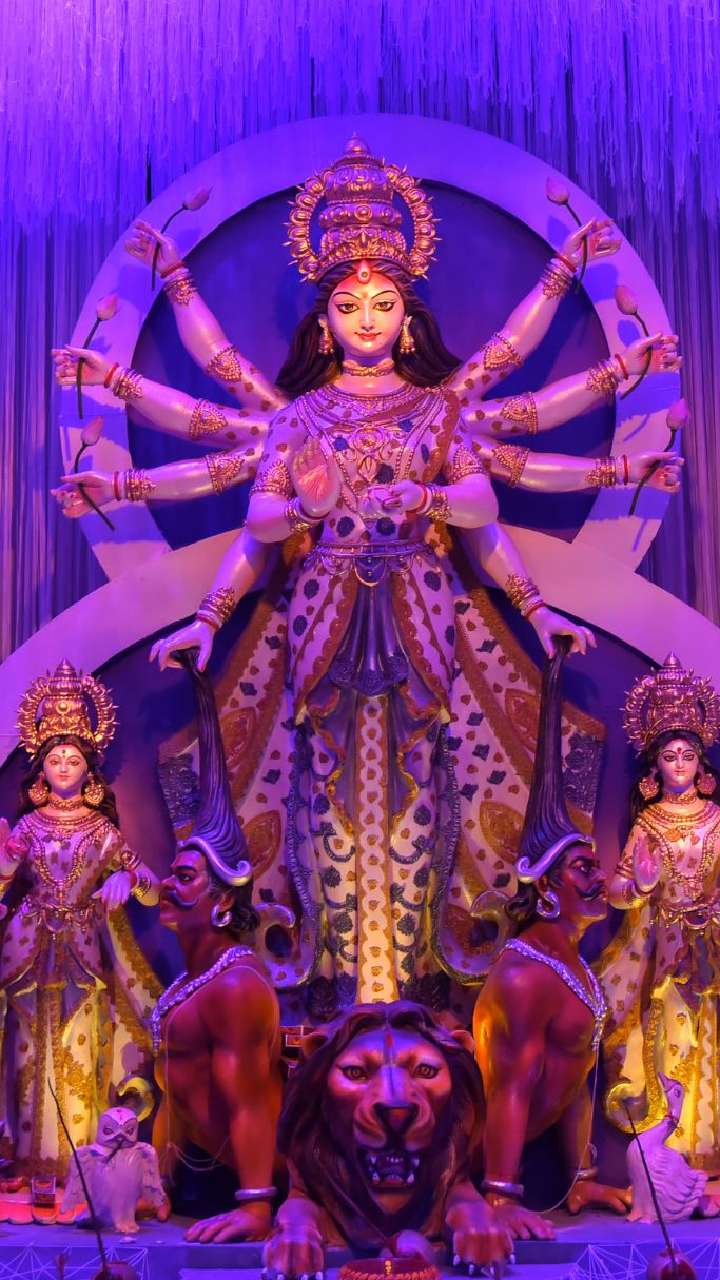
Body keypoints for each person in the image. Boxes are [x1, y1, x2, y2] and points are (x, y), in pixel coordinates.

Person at [52, 137, 682, 1009]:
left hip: (422, 605)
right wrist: (211, 613)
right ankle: (338, 971)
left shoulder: (436, 411)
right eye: (350, 306)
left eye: (385, 304)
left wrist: (527, 601)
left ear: (408, 320)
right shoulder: (299, 419)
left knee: (425, 762)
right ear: (325, 325)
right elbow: (257, 529)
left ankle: (416, 972)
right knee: (320, 766)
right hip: (321, 606)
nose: (368, 319)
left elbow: (482, 515)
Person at [473, 644, 630, 1241]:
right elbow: (510, 1089)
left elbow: (574, 1080)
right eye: (582, 869)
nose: (598, 878)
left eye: (596, 866)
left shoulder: (573, 967)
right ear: (544, 888)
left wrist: (580, 1179)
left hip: (541, 1173)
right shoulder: (526, 974)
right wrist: (498, 1196)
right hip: (468, 1173)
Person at [0, 660, 160, 1198]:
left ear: (88, 767)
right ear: (40, 769)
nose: (64, 767)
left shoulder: (102, 830)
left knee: (81, 1045)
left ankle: (78, 1165)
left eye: (72, 759)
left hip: (84, 953)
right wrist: (5, 869)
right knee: (24, 1048)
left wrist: (127, 879)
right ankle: (22, 1158)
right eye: (54, 759)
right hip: (25, 953)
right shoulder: (25, 827)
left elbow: (152, 887)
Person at [151, 656, 283, 1244]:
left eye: (184, 878)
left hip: (237, 1188)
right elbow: (173, 1092)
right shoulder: (193, 981)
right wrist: (155, 1185)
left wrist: (254, 1208)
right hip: (193, 1186)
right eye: (172, 873)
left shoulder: (235, 986)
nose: (166, 885)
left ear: (223, 901)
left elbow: (251, 1101)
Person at [599, 654, 720, 1174]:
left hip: (713, 947)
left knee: (711, 1037)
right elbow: (617, 893)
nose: (679, 764)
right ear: (655, 769)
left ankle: (707, 1149)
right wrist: (641, 884)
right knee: (671, 1039)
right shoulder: (647, 824)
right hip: (665, 948)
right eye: (670, 756)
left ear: (702, 765)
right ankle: (671, 1153)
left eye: (688, 755)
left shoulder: (717, 819)